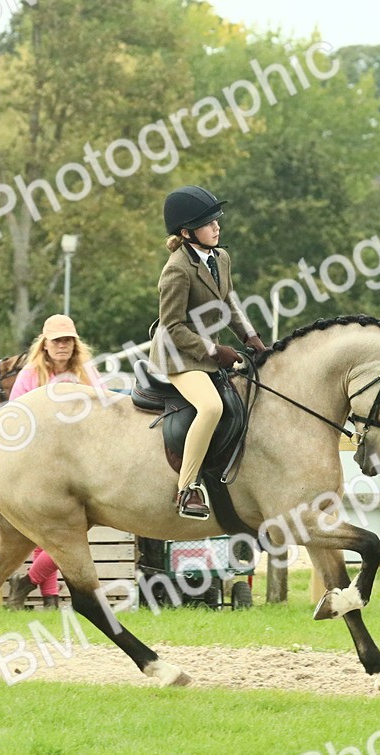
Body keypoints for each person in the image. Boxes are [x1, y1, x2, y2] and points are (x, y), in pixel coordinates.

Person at [149, 185, 268, 519]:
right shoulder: (176, 270)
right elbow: (172, 328)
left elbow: (229, 301)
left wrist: (252, 338)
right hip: (178, 355)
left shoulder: (221, 257)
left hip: (208, 350)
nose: (217, 227)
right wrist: (216, 351)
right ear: (187, 233)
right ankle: (186, 490)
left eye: (217, 220)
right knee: (211, 407)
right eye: (208, 223)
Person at [5, 314, 105, 610]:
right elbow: (14, 416)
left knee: (77, 525)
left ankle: (28, 582)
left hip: (80, 459)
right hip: (39, 459)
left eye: (67, 340)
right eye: (57, 340)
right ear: (45, 344)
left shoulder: (87, 373)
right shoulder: (29, 376)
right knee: (44, 528)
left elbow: (103, 406)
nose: (63, 345)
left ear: (75, 344)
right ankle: (51, 597)